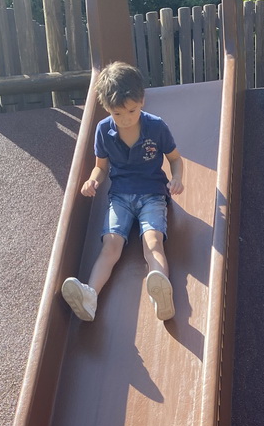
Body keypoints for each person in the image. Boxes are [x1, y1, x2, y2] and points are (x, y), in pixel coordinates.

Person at [61, 62, 184, 323]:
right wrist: (92, 181)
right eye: (118, 114)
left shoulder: (156, 127)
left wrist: (177, 178)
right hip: (120, 196)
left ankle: (161, 290)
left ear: (142, 100)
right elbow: (100, 167)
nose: (126, 119)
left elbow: (175, 158)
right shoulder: (104, 130)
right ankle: (90, 297)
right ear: (107, 109)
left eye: (132, 110)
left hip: (152, 193)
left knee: (152, 241)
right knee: (111, 245)